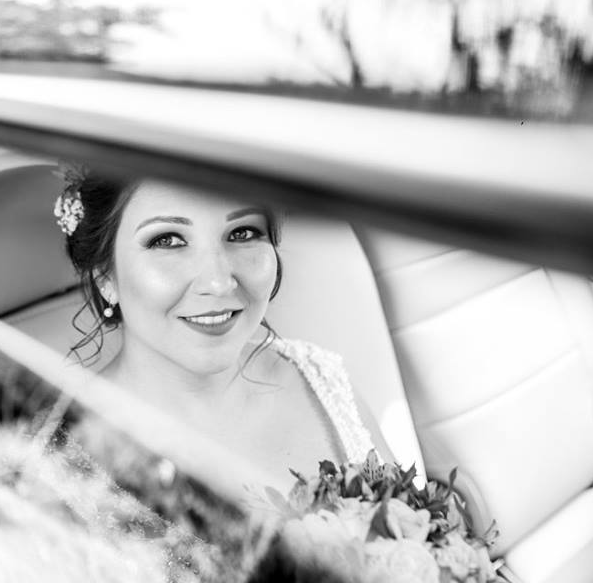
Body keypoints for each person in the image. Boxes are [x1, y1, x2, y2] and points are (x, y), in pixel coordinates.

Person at [54, 166, 387, 487]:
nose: (218, 282)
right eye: (167, 240)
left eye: (242, 233)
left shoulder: (320, 379)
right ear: (105, 277)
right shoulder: (57, 466)